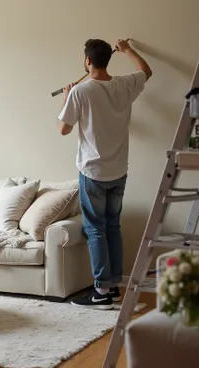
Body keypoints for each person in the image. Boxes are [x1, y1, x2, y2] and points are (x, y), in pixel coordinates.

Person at [57, 38, 152, 310]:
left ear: (87, 61)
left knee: (95, 230)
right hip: (119, 170)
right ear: (107, 59)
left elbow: (63, 129)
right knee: (113, 228)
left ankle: (101, 291)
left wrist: (66, 98)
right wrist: (129, 50)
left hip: (93, 171)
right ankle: (113, 289)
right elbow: (147, 71)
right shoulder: (124, 85)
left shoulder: (80, 91)